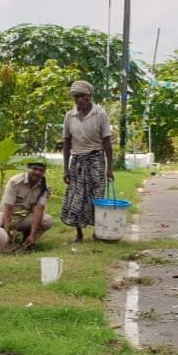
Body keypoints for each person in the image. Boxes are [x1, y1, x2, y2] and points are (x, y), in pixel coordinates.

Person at [61, 80, 114, 242]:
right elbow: (67, 143)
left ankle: (98, 232)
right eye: (75, 97)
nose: (78, 100)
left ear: (89, 96)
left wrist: (109, 169)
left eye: (81, 96)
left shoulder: (99, 115)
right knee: (76, 196)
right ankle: (79, 234)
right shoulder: (70, 116)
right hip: (77, 161)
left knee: (96, 196)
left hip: (96, 159)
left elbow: (107, 143)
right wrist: (65, 168)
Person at [0, 159, 54, 251]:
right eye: (35, 169)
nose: (37, 172)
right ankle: (4, 241)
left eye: (41, 170)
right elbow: (8, 209)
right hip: (7, 217)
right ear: (28, 168)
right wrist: (7, 233)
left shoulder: (45, 187)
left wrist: (32, 234)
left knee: (47, 220)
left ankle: (26, 244)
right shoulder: (14, 182)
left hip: (24, 217)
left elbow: (39, 209)